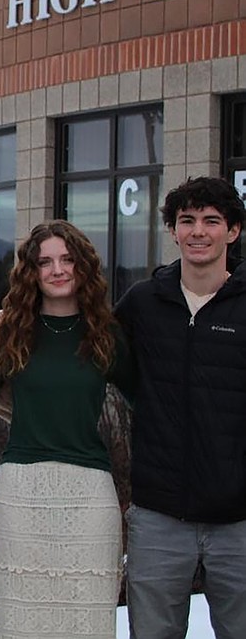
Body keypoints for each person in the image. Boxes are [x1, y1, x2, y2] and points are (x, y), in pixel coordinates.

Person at [0, 220, 135, 639]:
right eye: (45, 262)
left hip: (90, 494)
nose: (57, 270)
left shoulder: (105, 335)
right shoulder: (14, 334)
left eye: (67, 259)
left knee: (85, 620)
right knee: (21, 620)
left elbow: (147, 402)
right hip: (23, 492)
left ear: (83, 266)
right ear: (31, 273)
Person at [114, 176, 246, 639]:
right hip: (159, 517)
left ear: (233, 231)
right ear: (173, 230)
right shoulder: (144, 303)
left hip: (239, 523)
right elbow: (93, 351)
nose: (198, 231)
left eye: (212, 221)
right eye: (186, 220)